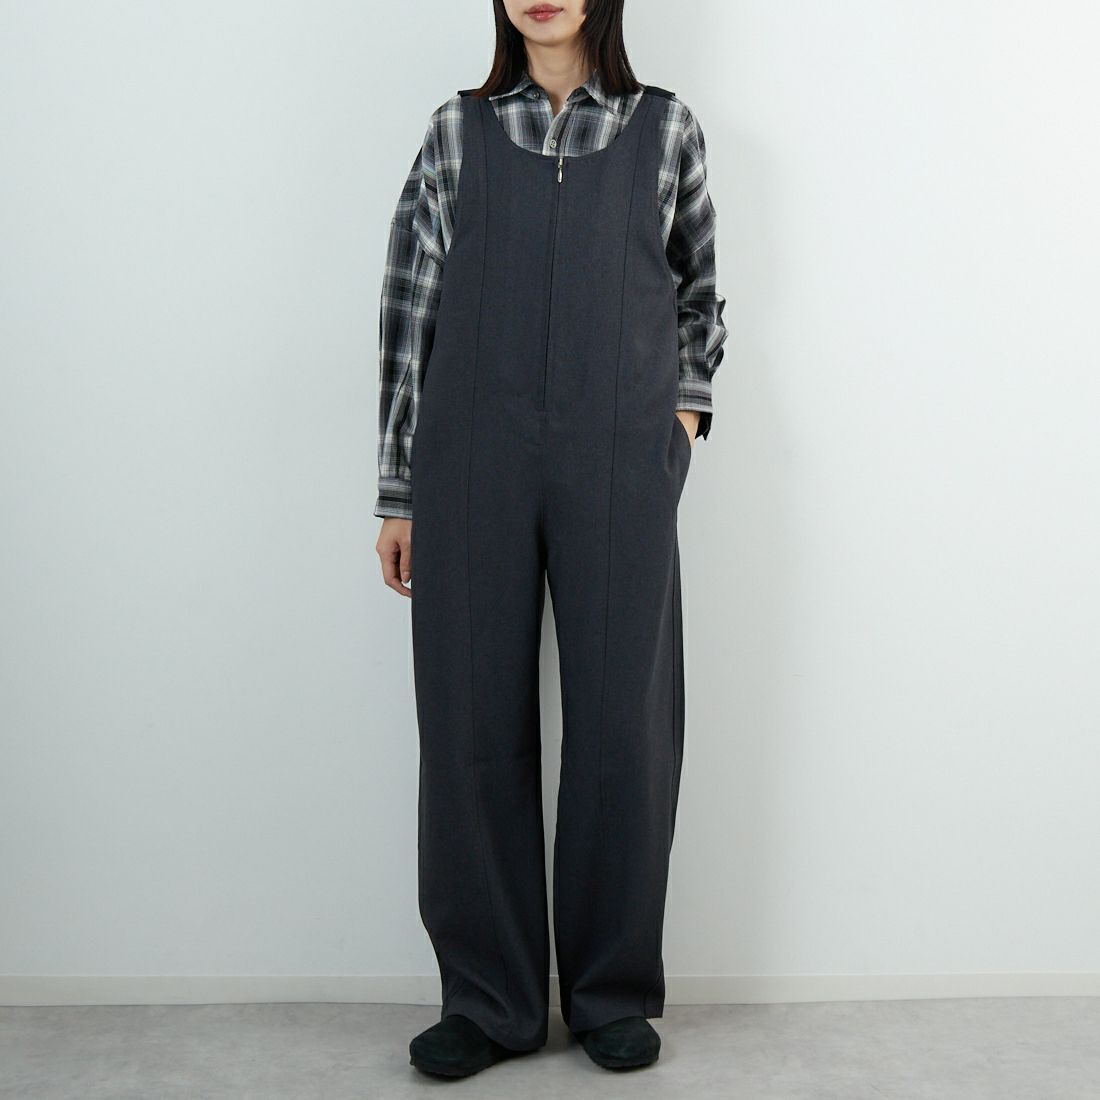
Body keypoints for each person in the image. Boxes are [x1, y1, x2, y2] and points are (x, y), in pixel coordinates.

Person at [374, 0, 727, 1078]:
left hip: (621, 457)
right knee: (469, 719)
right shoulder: (456, 131)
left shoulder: (665, 128)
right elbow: (409, 311)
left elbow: (700, 295)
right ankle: (490, 1000)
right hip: (468, 454)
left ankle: (610, 991)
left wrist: (678, 421)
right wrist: (398, 491)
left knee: (624, 727)